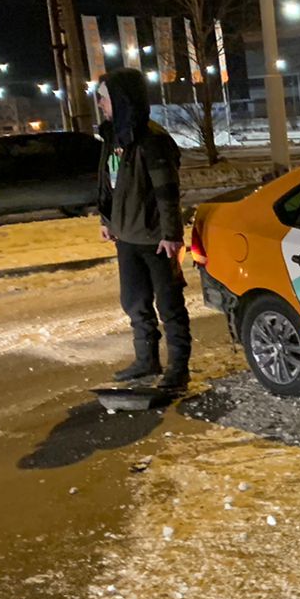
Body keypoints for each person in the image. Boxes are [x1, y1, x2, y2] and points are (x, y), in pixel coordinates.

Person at [96, 68, 190, 391]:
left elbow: (167, 191)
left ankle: (179, 367)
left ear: (122, 100)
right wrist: (107, 220)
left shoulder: (152, 139)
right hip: (126, 237)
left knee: (169, 304)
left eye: (104, 98)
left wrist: (172, 235)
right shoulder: (113, 138)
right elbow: (108, 185)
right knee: (134, 302)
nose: (100, 104)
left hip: (155, 240)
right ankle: (146, 359)